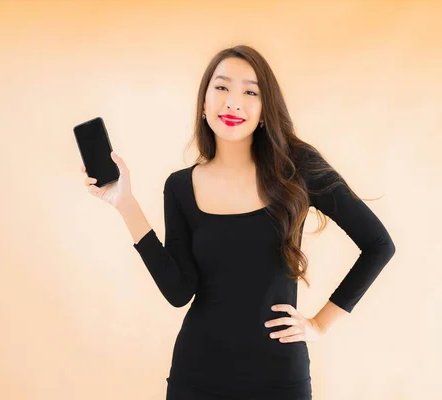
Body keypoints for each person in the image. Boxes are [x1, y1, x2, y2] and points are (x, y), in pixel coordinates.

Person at [81, 45, 396, 400]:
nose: (233, 102)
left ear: (264, 111)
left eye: (250, 92)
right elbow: (179, 291)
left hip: (279, 378)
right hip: (197, 375)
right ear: (203, 104)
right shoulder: (180, 186)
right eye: (221, 88)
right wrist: (125, 204)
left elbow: (379, 245)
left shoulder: (298, 168)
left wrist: (319, 325)